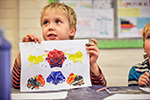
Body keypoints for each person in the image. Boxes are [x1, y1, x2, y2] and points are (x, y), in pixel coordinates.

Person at [11, 2, 107, 89]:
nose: (50, 27)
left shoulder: (81, 55)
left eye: (57, 22)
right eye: (46, 22)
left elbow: (101, 87)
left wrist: (92, 64)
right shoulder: (35, 53)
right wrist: (23, 54)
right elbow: (15, 85)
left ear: (72, 30)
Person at [128, 22, 150, 87]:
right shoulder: (136, 71)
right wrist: (140, 87)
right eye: (149, 37)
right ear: (144, 47)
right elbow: (133, 96)